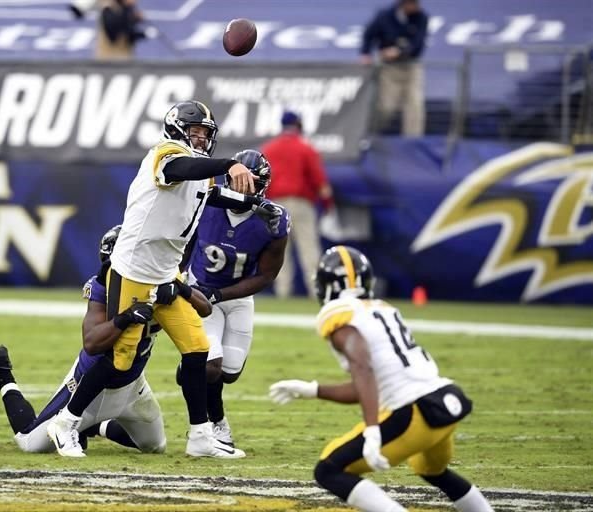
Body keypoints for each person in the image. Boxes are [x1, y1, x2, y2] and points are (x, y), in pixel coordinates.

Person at [48, 100, 281, 459]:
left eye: (206, 135)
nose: (201, 140)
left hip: (164, 271)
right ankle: (66, 422)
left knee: (198, 349)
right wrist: (229, 164)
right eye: (195, 133)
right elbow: (183, 167)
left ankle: (201, 435)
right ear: (177, 130)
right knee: (120, 357)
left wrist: (250, 203)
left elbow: (209, 193)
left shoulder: (199, 172)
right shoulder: (166, 154)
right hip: (136, 269)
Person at [269, 246, 493, 512]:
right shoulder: (382, 308)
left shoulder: (337, 313)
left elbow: (362, 367)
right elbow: (370, 382)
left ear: (326, 286)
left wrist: (373, 430)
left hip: (414, 413)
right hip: (446, 400)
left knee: (328, 470)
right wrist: (313, 390)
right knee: (430, 468)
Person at [0, 225, 212, 454]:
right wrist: (124, 319)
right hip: (92, 386)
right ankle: (1, 371)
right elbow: (91, 343)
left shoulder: (161, 276)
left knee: (154, 446)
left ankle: (92, 427)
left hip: (134, 384)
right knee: (31, 443)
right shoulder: (103, 287)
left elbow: (205, 308)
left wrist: (182, 288)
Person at [184, 149, 289, 449]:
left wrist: (220, 294)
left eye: (251, 183)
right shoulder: (206, 202)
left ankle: (190, 373)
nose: (243, 188)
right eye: (239, 181)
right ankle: (217, 424)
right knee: (210, 365)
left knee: (229, 373)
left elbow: (267, 275)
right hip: (201, 290)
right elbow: (185, 243)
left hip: (237, 296)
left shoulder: (273, 220)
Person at [261, 111, 334, 298]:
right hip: (300, 203)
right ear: (298, 125)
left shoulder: (270, 148)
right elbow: (321, 182)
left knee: (279, 251)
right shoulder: (305, 148)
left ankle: (282, 292)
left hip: (275, 205)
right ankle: (316, 292)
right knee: (309, 250)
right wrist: (327, 204)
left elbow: (261, 179)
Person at [360, 0, 429, 137]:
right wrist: (366, 53)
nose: (416, 7)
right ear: (403, 4)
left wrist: (400, 51)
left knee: (415, 105)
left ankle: (412, 142)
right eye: (412, 3)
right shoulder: (384, 16)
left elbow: (418, 44)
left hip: (411, 66)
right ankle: (371, 134)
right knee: (386, 107)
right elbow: (368, 35)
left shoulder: (421, 17)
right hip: (388, 69)